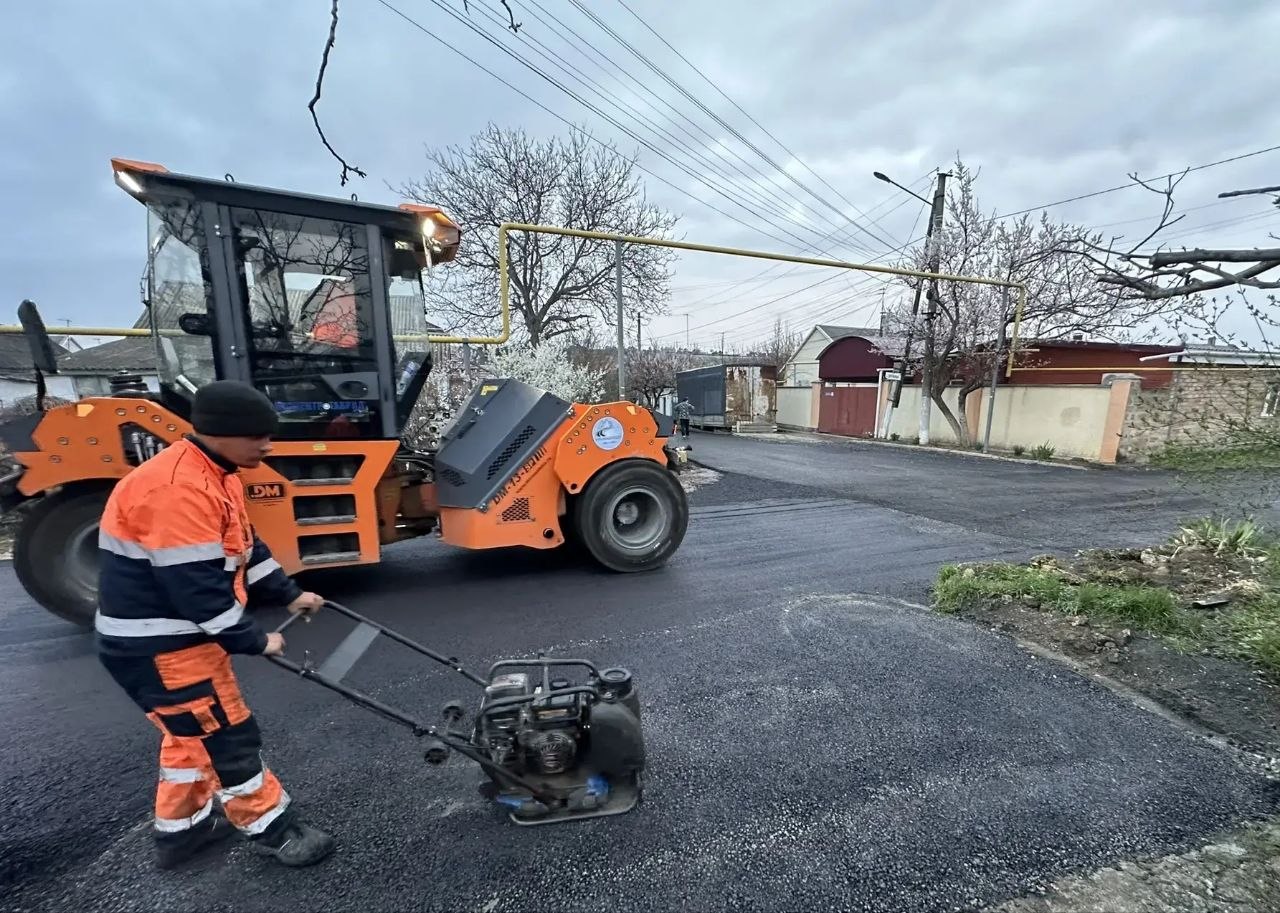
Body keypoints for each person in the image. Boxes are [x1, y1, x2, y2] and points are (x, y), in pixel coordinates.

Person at [95, 380, 335, 870]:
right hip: (160, 649)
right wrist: (255, 639)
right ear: (219, 432)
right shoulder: (177, 490)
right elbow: (195, 589)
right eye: (257, 436)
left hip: (179, 642)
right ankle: (275, 830)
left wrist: (290, 594)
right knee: (227, 738)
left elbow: (245, 549)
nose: (267, 445)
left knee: (191, 736)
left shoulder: (219, 474)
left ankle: (182, 831)